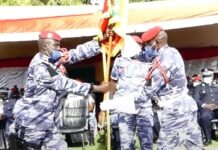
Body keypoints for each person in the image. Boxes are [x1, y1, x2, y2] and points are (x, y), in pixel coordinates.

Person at [9, 30, 109, 150]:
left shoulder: (52, 61)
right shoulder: (40, 66)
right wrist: (96, 88)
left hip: (51, 125)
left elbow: (75, 54)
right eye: (55, 45)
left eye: (59, 45)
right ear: (45, 46)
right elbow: (62, 83)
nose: (59, 48)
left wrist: (99, 43)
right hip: (33, 125)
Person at [135, 26, 203, 149]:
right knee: (194, 145)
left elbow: (152, 85)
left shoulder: (163, 60)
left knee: (165, 147)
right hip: (185, 106)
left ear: (156, 43)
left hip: (175, 111)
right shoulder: (172, 51)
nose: (146, 48)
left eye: (148, 44)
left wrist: (132, 101)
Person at [109, 35, 153, 150]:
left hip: (143, 106)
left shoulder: (148, 60)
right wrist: (110, 102)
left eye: (138, 46)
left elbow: (153, 81)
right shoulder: (119, 60)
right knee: (126, 143)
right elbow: (113, 81)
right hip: (125, 106)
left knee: (146, 141)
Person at [193, 68, 218, 146]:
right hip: (206, 109)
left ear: (212, 76)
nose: (207, 78)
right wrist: (205, 105)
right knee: (204, 117)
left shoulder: (217, 86)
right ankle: (208, 138)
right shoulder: (198, 87)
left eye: (209, 76)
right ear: (203, 77)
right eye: (205, 76)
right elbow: (196, 99)